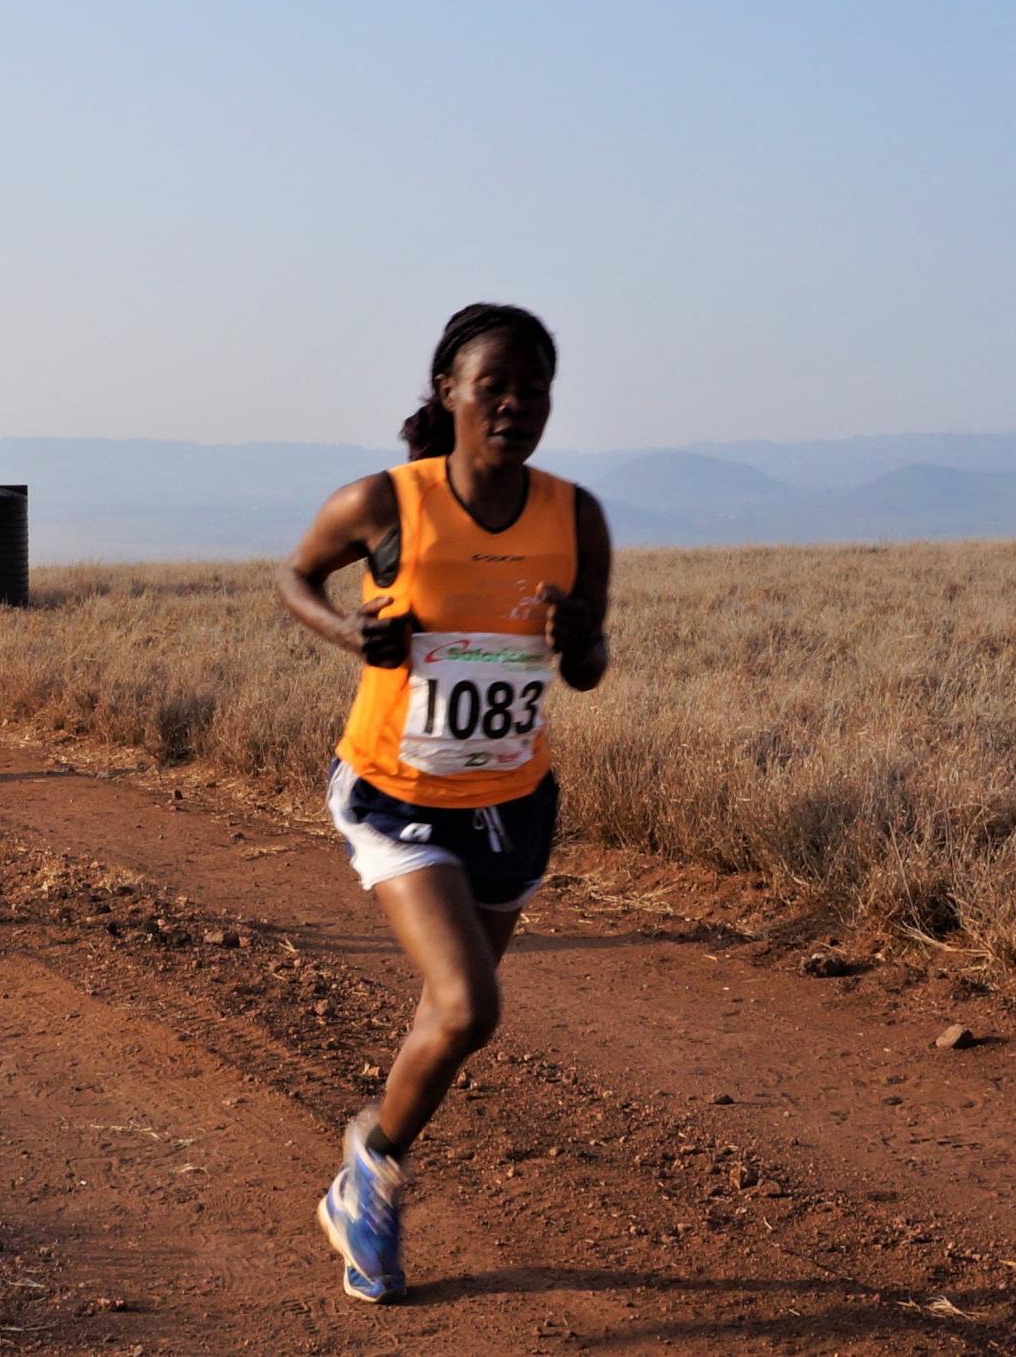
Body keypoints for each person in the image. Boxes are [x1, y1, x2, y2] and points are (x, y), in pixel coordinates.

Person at [278, 304, 611, 1304]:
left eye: (535, 388)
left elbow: (586, 667)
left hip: (512, 799)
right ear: (448, 392)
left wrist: (579, 634)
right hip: (396, 792)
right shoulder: (386, 501)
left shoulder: (573, 514)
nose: (516, 403)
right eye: (494, 384)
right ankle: (377, 1176)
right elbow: (293, 577)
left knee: (447, 1015)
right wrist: (354, 636)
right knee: (471, 1003)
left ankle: (358, 1179)